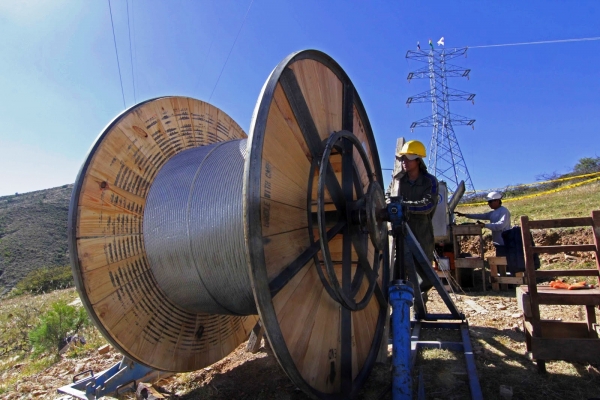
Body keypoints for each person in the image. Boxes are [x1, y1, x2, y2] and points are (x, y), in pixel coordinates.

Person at [398, 140, 439, 293]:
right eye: (403, 159)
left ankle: (419, 304)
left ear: (418, 160)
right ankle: (398, 308)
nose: (405, 162)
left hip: (422, 232)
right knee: (398, 269)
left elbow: (427, 205)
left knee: (424, 273)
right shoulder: (398, 182)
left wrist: (403, 206)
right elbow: (389, 198)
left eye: (408, 158)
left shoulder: (430, 181)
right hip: (401, 231)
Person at [455, 191, 511, 256]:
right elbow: (481, 216)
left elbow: (500, 225)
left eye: (490, 202)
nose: (489, 204)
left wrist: (485, 225)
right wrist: (465, 215)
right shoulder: (494, 212)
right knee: (502, 262)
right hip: (498, 243)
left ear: (497, 201)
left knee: (505, 262)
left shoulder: (504, 211)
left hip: (504, 243)